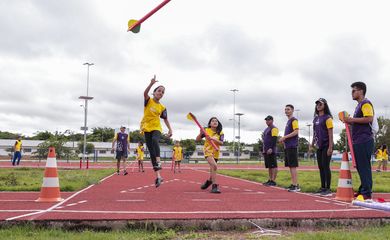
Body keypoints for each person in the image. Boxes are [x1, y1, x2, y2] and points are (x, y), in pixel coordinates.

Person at [344, 82, 374, 200]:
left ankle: (367, 192)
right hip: (358, 140)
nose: (352, 93)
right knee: (360, 167)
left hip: (364, 140)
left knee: (364, 166)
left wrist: (352, 119)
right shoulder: (359, 105)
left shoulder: (365, 103)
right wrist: (348, 121)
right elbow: (358, 121)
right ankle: (363, 189)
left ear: (361, 91)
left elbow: (369, 118)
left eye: (353, 90)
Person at [140, 75, 173, 187]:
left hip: (156, 128)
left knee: (155, 141)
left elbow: (165, 119)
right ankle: (159, 176)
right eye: (159, 91)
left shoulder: (162, 107)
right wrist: (151, 83)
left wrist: (170, 129)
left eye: (163, 92)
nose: (161, 93)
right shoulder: (148, 100)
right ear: (154, 92)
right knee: (151, 151)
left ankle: (158, 162)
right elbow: (144, 94)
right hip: (146, 128)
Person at [310, 98, 334, 196]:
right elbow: (314, 132)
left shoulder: (328, 118)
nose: (318, 105)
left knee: (325, 166)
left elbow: (330, 133)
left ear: (325, 105)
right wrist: (311, 144)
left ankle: (328, 189)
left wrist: (330, 147)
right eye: (317, 104)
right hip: (319, 146)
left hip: (326, 145)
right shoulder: (315, 119)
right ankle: (322, 187)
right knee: (320, 167)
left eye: (320, 104)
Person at [196, 117, 224, 194]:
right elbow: (197, 139)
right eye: (213, 121)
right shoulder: (206, 131)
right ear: (210, 124)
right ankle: (214, 186)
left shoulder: (220, 132)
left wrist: (213, 139)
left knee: (213, 169)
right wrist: (201, 133)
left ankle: (209, 181)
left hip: (216, 152)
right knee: (214, 166)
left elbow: (221, 143)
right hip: (207, 151)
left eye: (216, 121)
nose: (215, 122)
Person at [279, 104, 300, 192]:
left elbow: (296, 132)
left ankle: (296, 186)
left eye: (288, 109)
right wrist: (284, 141)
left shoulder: (294, 120)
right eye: (285, 109)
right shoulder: (288, 121)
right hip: (288, 146)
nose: (286, 111)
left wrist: (285, 137)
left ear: (292, 110)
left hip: (292, 146)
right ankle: (293, 184)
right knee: (290, 166)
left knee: (293, 166)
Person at [262, 115, 279, 186]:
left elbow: (274, 139)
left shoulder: (274, 128)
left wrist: (271, 148)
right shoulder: (266, 129)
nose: (267, 121)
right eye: (266, 120)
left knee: (273, 166)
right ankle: (270, 179)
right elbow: (264, 139)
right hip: (266, 150)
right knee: (269, 166)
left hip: (271, 150)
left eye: (268, 120)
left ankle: (273, 181)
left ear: (272, 120)